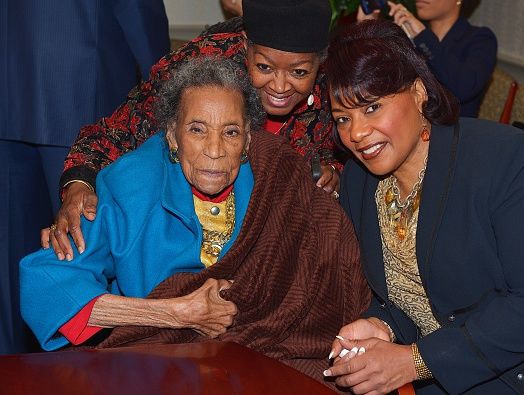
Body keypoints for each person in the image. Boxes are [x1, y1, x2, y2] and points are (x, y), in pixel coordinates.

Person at [20, 56, 370, 381]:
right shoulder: (131, 186)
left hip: (263, 363)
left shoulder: (275, 176)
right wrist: (177, 312)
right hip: (155, 367)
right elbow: (45, 284)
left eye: (231, 132)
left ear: (248, 140)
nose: (215, 150)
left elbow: (331, 264)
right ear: (172, 135)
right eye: (197, 130)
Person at [322, 20, 524, 394]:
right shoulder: (359, 181)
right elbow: (421, 293)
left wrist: (416, 360)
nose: (356, 133)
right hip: (451, 376)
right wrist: (380, 325)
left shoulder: (510, 161)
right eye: (342, 118)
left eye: (372, 107)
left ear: (418, 93)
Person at [43, 0, 343, 263]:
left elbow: (355, 154)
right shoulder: (197, 73)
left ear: (321, 63)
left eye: (299, 72)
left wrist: (335, 173)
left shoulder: (334, 91)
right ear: (245, 44)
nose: (280, 86)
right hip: (177, 242)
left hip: (276, 248)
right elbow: (112, 135)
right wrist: (79, 187)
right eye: (264, 67)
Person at [0, 0, 170, 354]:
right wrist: (165, 78)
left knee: (11, 262)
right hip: (77, 86)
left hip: (11, 89)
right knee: (84, 249)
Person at [357, 0, 497, 117]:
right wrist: (367, 32)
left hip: (455, 137)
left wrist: (422, 35)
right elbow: (377, 84)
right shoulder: (406, 34)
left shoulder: (481, 39)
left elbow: (462, 88)